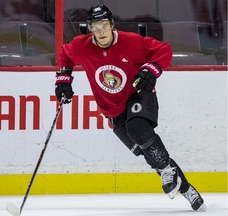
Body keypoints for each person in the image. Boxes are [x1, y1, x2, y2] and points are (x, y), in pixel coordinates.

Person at [55, 4, 206, 211]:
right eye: (96, 27)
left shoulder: (131, 42)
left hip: (138, 95)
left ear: (112, 25)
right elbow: (66, 54)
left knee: (137, 129)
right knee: (147, 152)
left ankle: (166, 169)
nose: (101, 31)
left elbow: (164, 50)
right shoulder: (82, 46)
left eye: (104, 25)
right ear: (90, 28)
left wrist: (151, 69)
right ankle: (187, 189)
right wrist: (64, 77)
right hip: (112, 110)